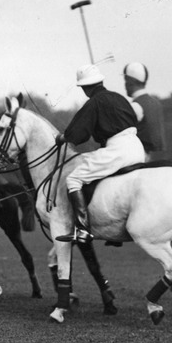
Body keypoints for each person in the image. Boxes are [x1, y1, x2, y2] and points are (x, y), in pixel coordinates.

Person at [54, 64, 146, 243]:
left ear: (86, 87)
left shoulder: (94, 102)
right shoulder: (119, 98)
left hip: (118, 150)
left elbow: (78, 134)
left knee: (73, 179)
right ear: (101, 81)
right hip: (137, 147)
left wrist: (63, 137)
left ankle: (82, 229)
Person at [123, 62, 166, 162]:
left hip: (141, 156)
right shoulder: (156, 103)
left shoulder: (135, 106)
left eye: (125, 81)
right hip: (158, 156)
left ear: (129, 82)